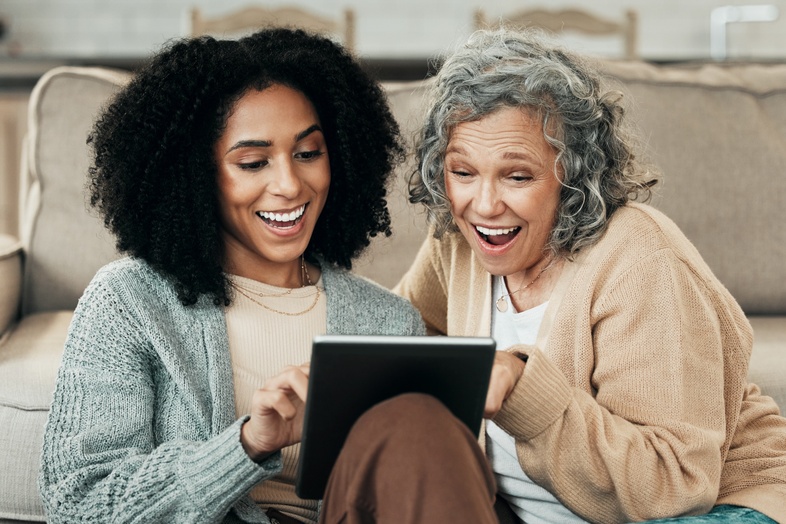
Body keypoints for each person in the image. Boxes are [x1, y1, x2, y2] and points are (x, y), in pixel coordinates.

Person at [38, 29, 499, 524]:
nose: (289, 184)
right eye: (253, 162)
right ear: (195, 176)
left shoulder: (386, 322)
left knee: (422, 423)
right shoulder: (129, 303)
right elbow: (80, 503)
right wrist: (246, 445)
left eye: (308, 153)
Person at [396, 28, 786, 524]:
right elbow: (395, 334)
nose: (485, 205)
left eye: (517, 176)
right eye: (463, 172)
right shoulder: (458, 244)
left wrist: (524, 391)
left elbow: (671, 488)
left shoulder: (642, 262)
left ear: (573, 174)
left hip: (717, 506)